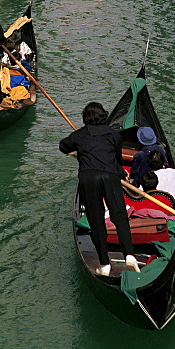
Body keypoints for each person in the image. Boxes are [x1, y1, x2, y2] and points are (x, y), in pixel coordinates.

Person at [59, 102, 140, 276]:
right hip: (110, 176)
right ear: (104, 116)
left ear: (85, 118)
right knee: (119, 216)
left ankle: (104, 264)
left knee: (96, 221)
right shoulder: (114, 135)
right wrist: (122, 174)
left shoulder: (79, 135)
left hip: (89, 178)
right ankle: (130, 255)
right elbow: (116, 162)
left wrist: (77, 147)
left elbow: (63, 146)